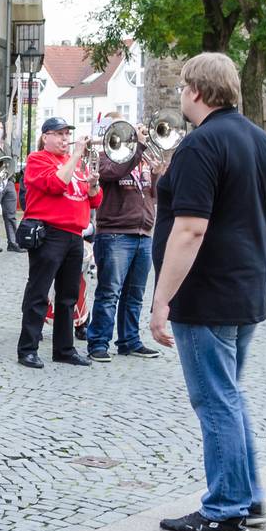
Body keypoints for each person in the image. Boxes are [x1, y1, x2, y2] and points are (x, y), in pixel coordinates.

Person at [151, 52, 266, 531]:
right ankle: (249, 497)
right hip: (246, 287)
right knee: (230, 395)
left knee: (216, 400)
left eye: (183, 87)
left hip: (206, 293)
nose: (180, 95)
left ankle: (225, 505)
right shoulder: (258, 140)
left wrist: (162, 300)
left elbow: (190, 230)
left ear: (197, 92)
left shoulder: (201, 144)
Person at [17, 117, 102, 369]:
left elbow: (95, 201)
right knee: (39, 292)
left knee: (68, 296)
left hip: (74, 234)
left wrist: (94, 183)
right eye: (60, 134)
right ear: (46, 137)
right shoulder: (37, 159)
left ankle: (64, 349)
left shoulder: (77, 164)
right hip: (50, 232)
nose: (66, 139)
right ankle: (27, 349)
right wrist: (76, 155)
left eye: (67, 134)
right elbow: (56, 185)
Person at [88, 114, 162, 363]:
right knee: (110, 292)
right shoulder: (104, 157)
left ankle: (129, 341)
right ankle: (98, 342)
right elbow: (112, 174)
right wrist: (138, 147)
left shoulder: (141, 158)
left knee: (135, 293)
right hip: (115, 233)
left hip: (143, 233)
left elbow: (153, 193)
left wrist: (159, 173)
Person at [0, 117, 22, 252]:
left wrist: (12, 179)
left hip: (9, 182)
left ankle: (13, 243)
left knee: (11, 215)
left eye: (0, 128)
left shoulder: (6, 145)